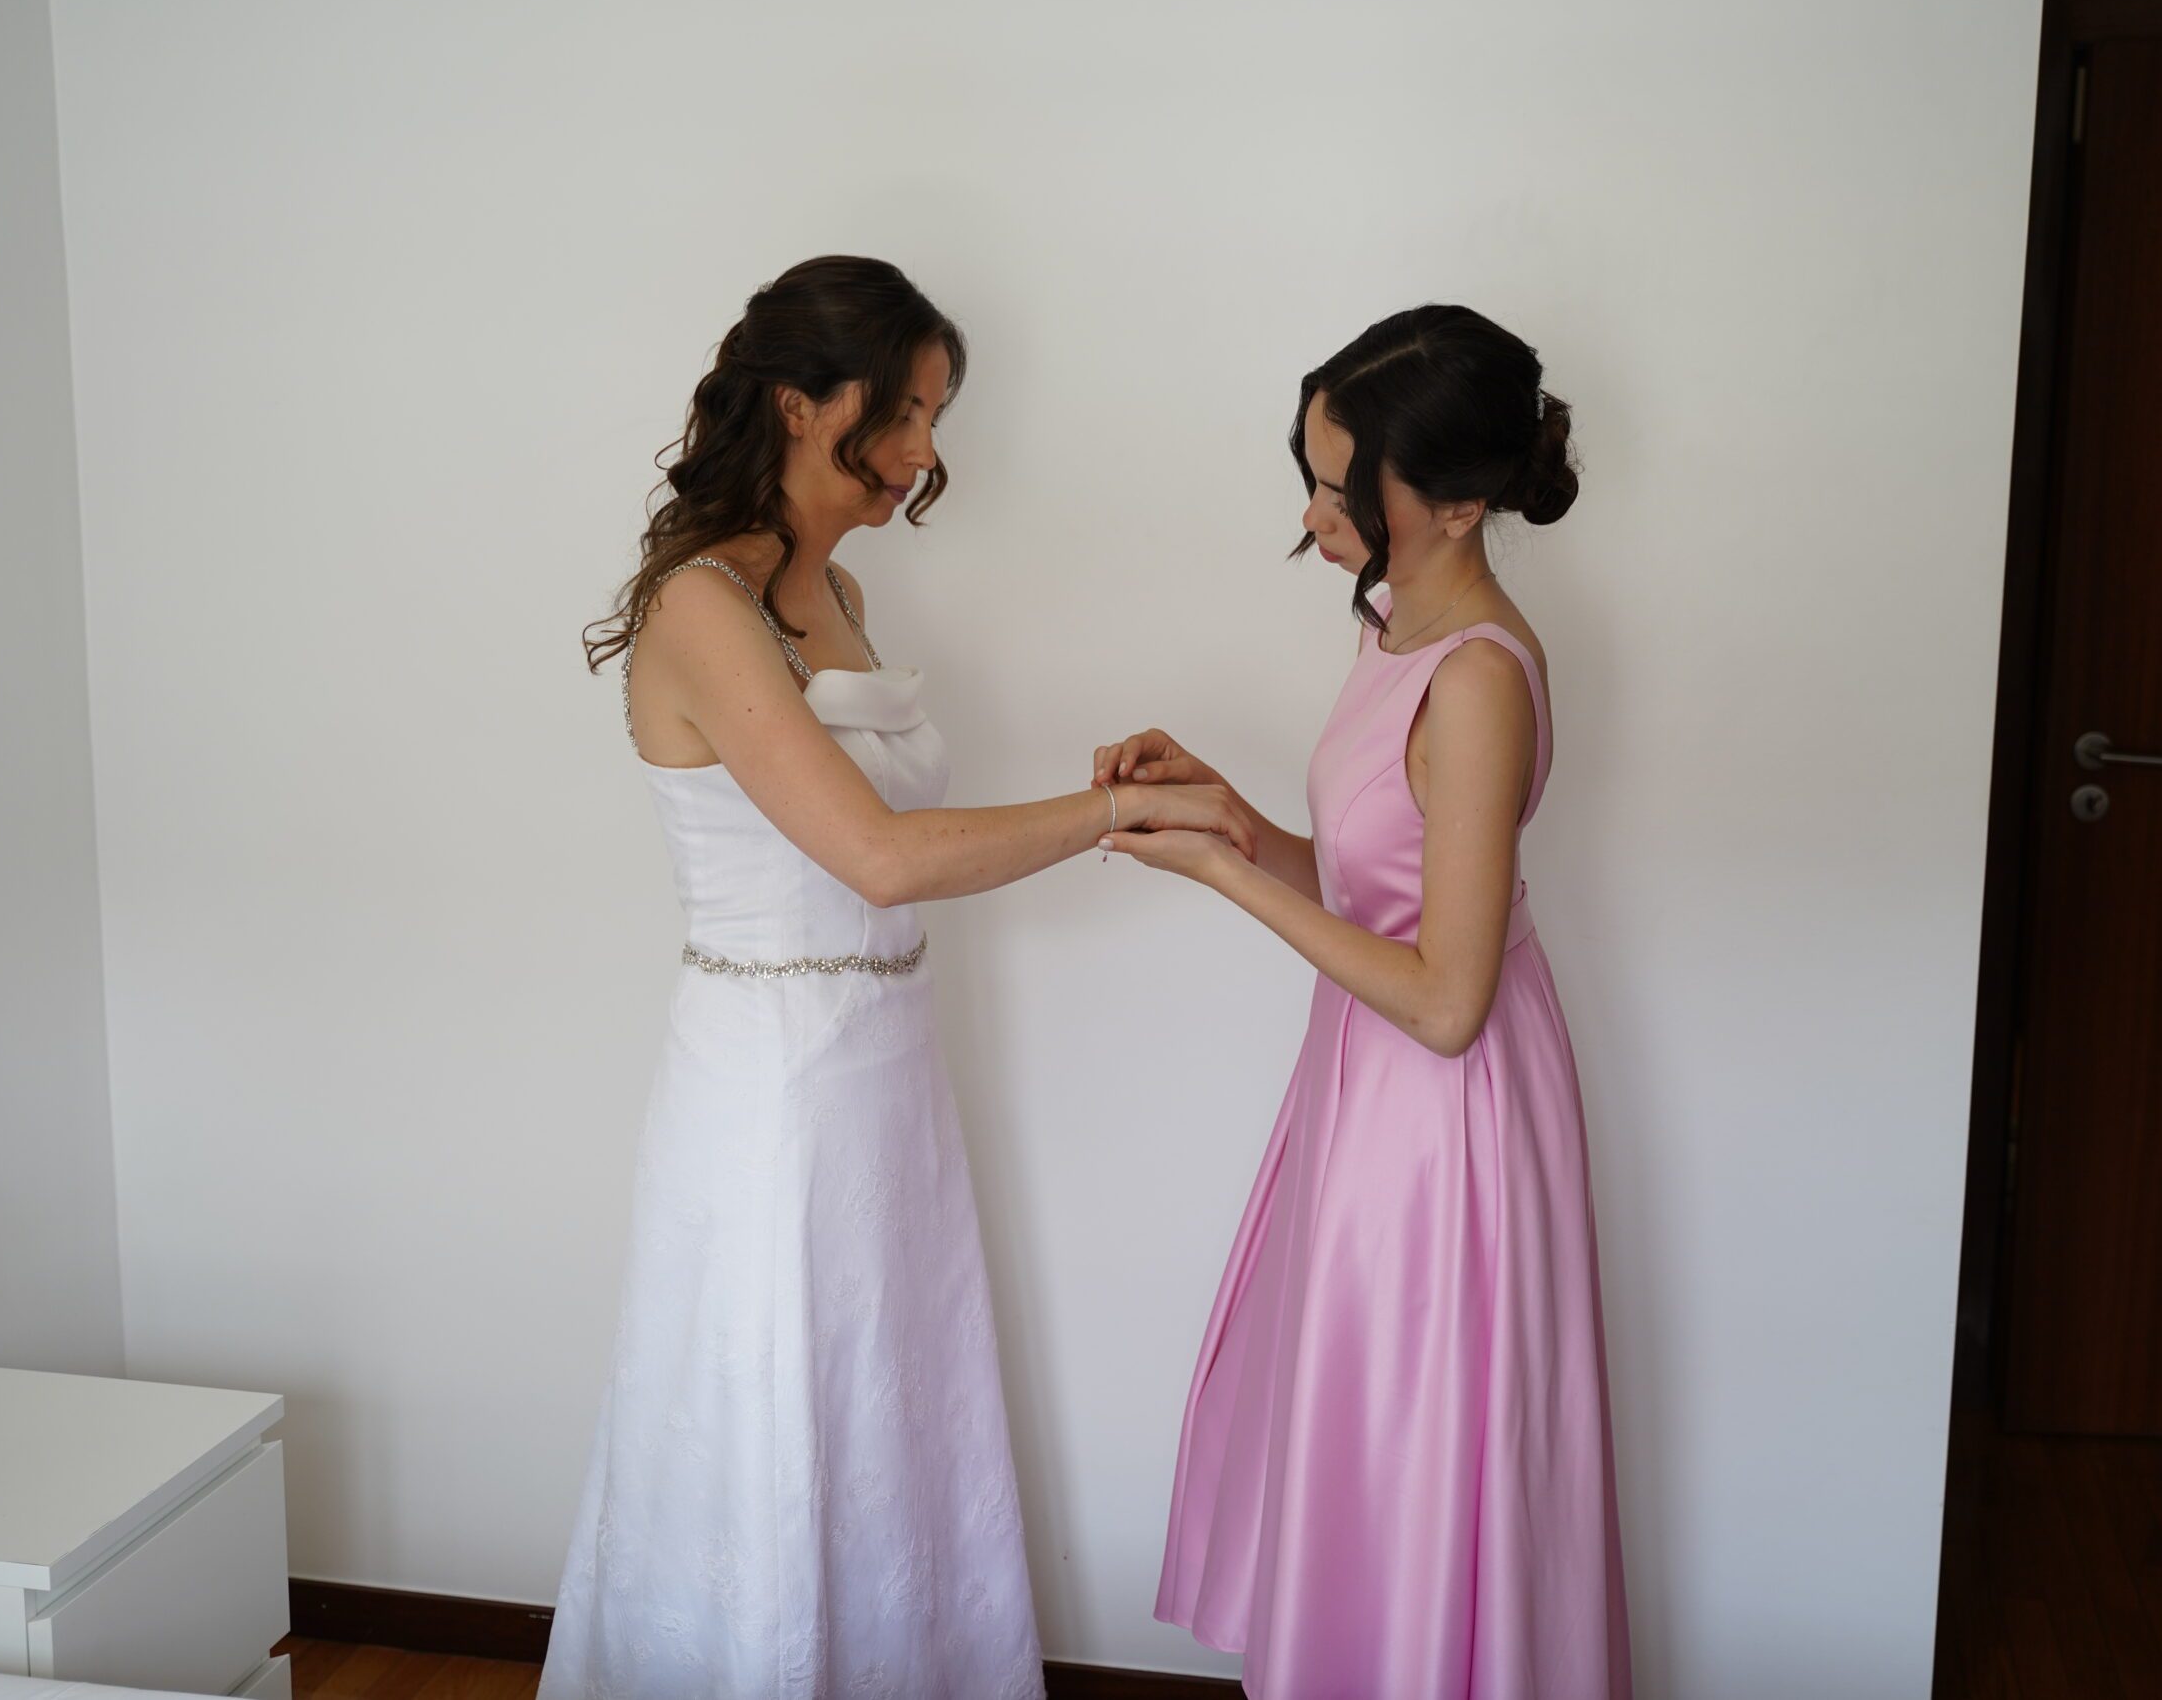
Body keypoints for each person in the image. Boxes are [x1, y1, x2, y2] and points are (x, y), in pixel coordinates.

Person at [541, 254, 1251, 1700]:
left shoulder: (838, 588)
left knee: (884, 1408)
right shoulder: (701, 607)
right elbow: (877, 855)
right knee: (772, 1418)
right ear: (800, 403)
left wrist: (1108, 798)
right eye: (907, 412)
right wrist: (1114, 813)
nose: (926, 452)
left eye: (936, 417)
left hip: (882, 1067)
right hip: (771, 1087)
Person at [1105, 304, 1633, 1698]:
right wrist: (1223, 811)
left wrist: (1225, 875)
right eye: (1313, 472)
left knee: (1420, 1445)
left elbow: (1449, 1001)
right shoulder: (1398, 624)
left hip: (1443, 1116)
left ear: (1456, 503)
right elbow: (1366, 880)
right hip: (1365, 1084)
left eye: (1343, 486)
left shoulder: (1478, 680)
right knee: (1365, 1445)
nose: (1315, 512)